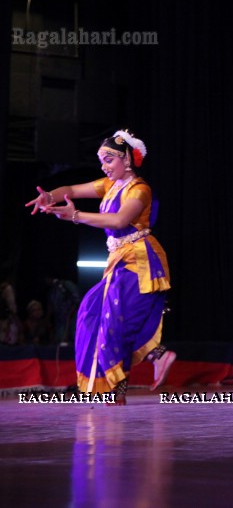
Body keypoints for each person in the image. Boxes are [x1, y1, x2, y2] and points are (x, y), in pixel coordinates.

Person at [25, 129, 176, 404]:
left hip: (140, 262)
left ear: (126, 159)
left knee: (114, 320)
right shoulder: (110, 186)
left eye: (109, 160)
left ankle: (150, 362)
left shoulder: (140, 190)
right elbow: (71, 190)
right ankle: (118, 385)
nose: (104, 166)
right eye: (102, 161)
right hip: (119, 260)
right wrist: (50, 196)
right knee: (92, 313)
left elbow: (119, 221)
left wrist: (76, 216)